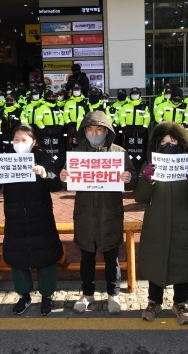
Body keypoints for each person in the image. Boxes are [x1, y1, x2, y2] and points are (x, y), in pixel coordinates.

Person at [59, 111, 137, 315]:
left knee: (112, 257)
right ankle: (87, 293)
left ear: (107, 131)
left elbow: (133, 180)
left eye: (99, 129)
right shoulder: (76, 154)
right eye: (90, 129)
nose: (95, 133)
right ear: (84, 131)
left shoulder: (119, 153)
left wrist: (129, 177)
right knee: (87, 257)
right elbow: (66, 181)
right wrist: (64, 176)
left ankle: (113, 294)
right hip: (85, 215)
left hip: (110, 214)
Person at [134, 121, 188, 325]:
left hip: (182, 222)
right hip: (156, 222)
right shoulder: (150, 163)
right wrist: (146, 180)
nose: (168, 144)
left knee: (182, 262)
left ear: (181, 143)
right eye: (164, 141)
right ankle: (154, 301)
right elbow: (139, 197)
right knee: (155, 260)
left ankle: (180, 303)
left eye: (173, 140)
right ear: (157, 144)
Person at [0, 125, 63, 316]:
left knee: (46, 256)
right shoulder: (4, 158)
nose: (19, 144)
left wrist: (45, 174)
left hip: (41, 216)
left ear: (34, 142)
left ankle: (47, 296)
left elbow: (56, 184)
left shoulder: (43, 157)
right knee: (18, 256)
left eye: (24, 140)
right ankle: (24, 296)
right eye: (16, 140)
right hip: (15, 217)